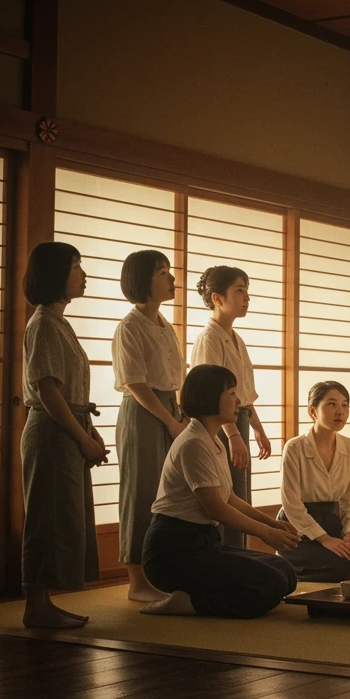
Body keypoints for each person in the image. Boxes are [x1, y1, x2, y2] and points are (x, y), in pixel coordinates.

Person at [140, 364, 298, 617]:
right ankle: (190, 604)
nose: (238, 401)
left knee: (285, 571)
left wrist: (273, 524)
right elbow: (217, 509)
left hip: (204, 543)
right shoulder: (193, 443)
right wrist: (266, 533)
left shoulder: (212, 440)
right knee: (272, 582)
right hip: (172, 551)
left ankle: (195, 595)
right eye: (232, 393)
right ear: (210, 397)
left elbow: (229, 498)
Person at [20, 242, 107, 627]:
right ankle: (36, 606)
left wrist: (92, 432)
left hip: (67, 428)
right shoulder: (41, 323)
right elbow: (48, 390)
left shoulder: (59, 322)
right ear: (56, 274)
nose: (83, 274)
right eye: (76, 266)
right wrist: (83, 437)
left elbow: (69, 392)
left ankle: (44, 603)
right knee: (46, 517)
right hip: (52, 432)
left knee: (63, 516)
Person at [112, 249, 187, 602]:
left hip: (171, 409)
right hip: (144, 413)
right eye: (162, 272)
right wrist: (170, 419)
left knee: (168, 495)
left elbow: (177, 375)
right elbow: (136, 383)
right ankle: (137, 581)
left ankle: (163, 571)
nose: (171, 279)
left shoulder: (164, 323)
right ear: (143, 280)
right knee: (140, 494)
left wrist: (182, 413)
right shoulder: (130, 326)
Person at [190, 265, 272, 548]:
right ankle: (228, 555)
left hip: (238, 421)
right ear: (217, 298)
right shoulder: (209, 338)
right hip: (219, 426)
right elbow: (212, 396)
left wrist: (258, 428)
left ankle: (240, 553)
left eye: (247, 290)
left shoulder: (236, 339)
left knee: (239, 491)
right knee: (225, 493)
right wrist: (234, 436)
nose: (246, 297)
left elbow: (243, 394)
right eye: (239, 290)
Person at [277, 381, 350, 582]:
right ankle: (286, 565)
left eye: (345, 405)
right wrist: (324, 540)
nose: (340, 412)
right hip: (297, 529)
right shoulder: (295, 448)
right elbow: (291, 504)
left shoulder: (349, 447)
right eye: (332, 404)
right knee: (340, 570)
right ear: (313, 412)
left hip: (332, 524)